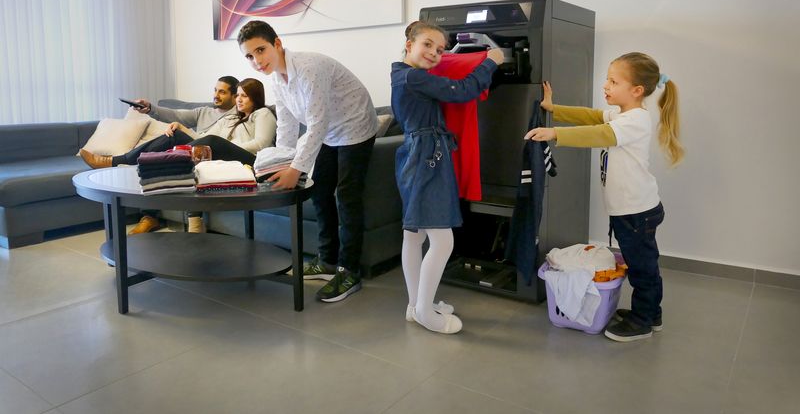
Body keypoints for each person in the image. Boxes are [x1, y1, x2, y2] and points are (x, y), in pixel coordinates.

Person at [525, 52, 683, 342]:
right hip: (630, 210)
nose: (606, 86)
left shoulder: (635, 120)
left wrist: (554, 133)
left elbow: (599, 133)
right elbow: (592, 115)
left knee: (642, 267)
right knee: (640, 263)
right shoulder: (622, 114)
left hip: (637, 211)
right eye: (607, 80)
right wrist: (553, 108)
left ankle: (644, 320)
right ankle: (651, 313)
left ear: (636, 90)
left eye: (613, 81)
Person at [237, 20, 377, 303]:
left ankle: (349, 271)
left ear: (277, 43)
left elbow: (317, 123)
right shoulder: (276, 78)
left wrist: (295, 169)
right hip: (329, 131)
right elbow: (287, 126)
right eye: (249, 56)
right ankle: (326, 261)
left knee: (346, 196)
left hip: (355, 124)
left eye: (260, 50)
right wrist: (279, 163)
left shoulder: (309, 68)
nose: (256, 61)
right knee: (320, 190)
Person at [391, 21, 504, 334]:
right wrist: (492, 61)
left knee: (414, 236)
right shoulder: (414, 77)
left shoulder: (403, 74)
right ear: (409, 43)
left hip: (413, 157)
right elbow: (463, 90)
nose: (434, 53)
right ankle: (427, 312)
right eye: (427, 44)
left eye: (440, 50)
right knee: (442, 239)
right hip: (427, 158)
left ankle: (416, 305)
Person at [80, 78, 277, 231]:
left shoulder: (263, 114)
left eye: (244, 96)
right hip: (224, 160)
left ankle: (158, 160)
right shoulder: (232, 118)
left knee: (210, 145)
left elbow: (261, 144)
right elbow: (202, 137)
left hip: (250, 162)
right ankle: (118, 161)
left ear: (255, 98)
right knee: (176, 136)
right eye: (239, 96)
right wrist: (182, 130)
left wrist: (228, 144)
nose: (239, 100)